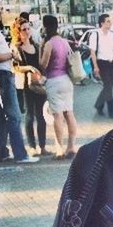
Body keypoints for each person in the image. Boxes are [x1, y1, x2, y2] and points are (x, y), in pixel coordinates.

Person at [0, 0, 39, 163]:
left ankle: (2, 152)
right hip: (2, 74)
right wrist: (12, 55)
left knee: (0, 116)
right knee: (14, 115)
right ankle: (21, 154)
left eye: (0, 8)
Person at [39, 14, 78, 159]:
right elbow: (69, 61)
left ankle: (59, 149)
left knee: (58, 116)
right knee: (69, 113)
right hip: (67, 80)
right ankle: (72, 146)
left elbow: (43, 65)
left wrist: (40, 49)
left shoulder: (49, 44)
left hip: (53, 81)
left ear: (45, 27)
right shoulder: (64, 42)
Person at [12, 17, 50, 157]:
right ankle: (32, 147)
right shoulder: (17, 48)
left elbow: (42, 64)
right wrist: (29, 67)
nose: (27, 32)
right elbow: (15, 68)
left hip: (39, 84)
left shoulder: (36, 45)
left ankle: (43, 146)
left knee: (42, 116)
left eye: (28, 29)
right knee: (30, 115)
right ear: (18, 31)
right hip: (26, 85)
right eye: (23, 29)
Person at [89, 13, 113, 119]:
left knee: (108, 87)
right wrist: (95, 66)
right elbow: (92, 52)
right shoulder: (95, 35)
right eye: (108, 21)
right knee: (108, 87)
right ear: (102, 23)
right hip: (102, 64)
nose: (110, 23)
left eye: (110, 21)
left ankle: (99, 105)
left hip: (112, 64)